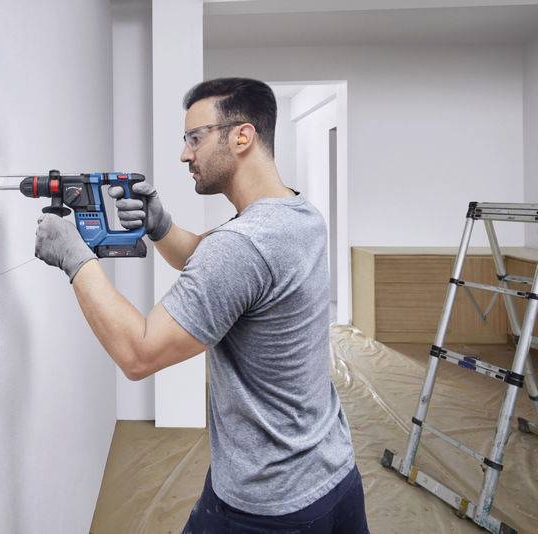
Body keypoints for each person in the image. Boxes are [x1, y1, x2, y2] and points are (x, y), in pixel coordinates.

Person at [33, 77, 368, 533]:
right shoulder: (298, 214)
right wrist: (160, 225)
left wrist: (75, 259)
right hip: (332, 472)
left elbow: (140, 353)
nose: (184, 154)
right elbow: (216, 265)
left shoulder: (241, 246)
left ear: (242, 136)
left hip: (268, 504)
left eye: (195, 137)